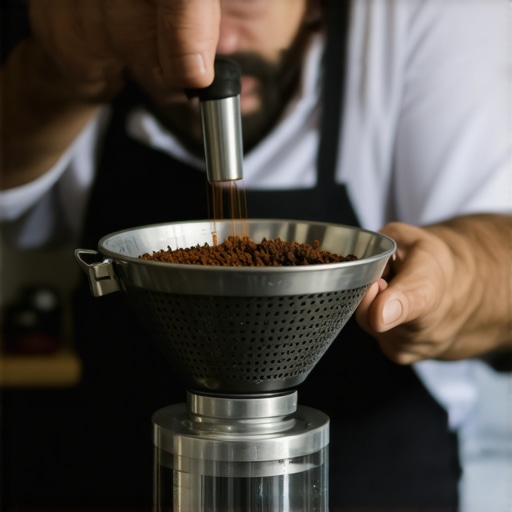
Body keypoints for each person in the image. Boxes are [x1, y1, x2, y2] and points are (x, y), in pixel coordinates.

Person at [1, 0, 510, 510]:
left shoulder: (423, 16)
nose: (213, 46)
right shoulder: (86, 31)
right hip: (112, 473)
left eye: (240, 3)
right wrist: (57, 69)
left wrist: (457, 274)